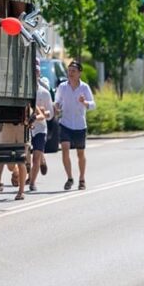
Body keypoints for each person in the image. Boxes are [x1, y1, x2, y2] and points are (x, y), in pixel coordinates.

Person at [54, 60, 96, 190]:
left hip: (79, 125)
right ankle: (70, 178)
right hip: (65, 123)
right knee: (65, 149)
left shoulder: (84, 87)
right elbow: (58, 101)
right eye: (69, 71)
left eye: (73, 71)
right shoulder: (62, 87)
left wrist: (85, 103)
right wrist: (56, 107)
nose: (70, 73)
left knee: (80, 154)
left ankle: (82, 178)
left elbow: (93, 105)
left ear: (79, 73)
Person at [28, 58, 54, 192]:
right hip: (26, 128)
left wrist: (45, 112)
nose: (34, 75)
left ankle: (32, 182)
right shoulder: (24, 92)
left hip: (40, 128)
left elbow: (51, 113)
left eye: (36, 73)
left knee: (35, 156)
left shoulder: (45, 93)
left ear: (39, 75)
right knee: (27, 157)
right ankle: (29, 172)